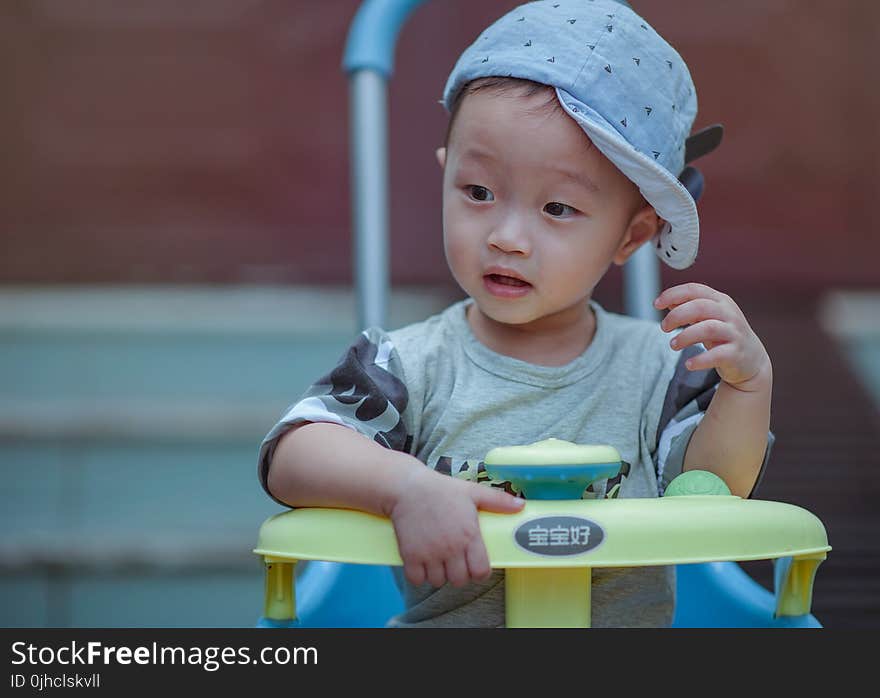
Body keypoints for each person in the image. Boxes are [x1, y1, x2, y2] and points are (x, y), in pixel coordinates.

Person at [257, 0, 773, 627]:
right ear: (445, 178)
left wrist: (747, 389)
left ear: (630, 238)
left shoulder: (659, 369)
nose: (506, 236)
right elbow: (292, 454)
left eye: (557, 209)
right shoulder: (406, 364)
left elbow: (713, 489)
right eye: (478, 193)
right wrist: (404, 487)